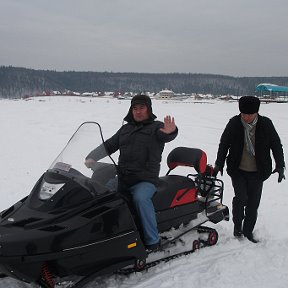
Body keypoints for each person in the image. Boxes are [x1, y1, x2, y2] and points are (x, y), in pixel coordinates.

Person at [85, 94, 178, 250]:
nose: (138, 111)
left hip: (145, 181)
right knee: (100, 195)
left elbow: (166, 134)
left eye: (142, 108)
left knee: (141, 199)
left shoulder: (156, 128)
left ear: (148, 109)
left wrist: (171, 131)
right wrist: (92, 156)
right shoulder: (125, 129)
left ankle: (153, 240)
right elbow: (109, 145)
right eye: (135, 108)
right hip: (123, 178)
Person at [214, 96, 285, 243]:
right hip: (238, 170)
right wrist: (219, 164)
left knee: (253, 203)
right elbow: (224, 144)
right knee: (241, 199)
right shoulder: (234, 123)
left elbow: (276, 145)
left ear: (256, 112)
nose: (245, 117)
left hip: (258, 172)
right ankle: (237, 228)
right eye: (243, 114)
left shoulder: (266, 124)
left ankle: (248, 232)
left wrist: (280, 165)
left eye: (249, 114)